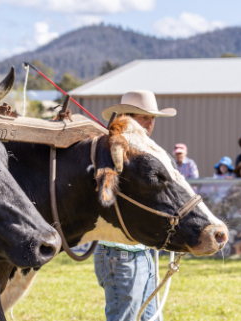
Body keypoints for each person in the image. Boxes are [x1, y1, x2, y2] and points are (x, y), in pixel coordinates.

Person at [95, 89, 176, 321]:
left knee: (151, 317)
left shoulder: (142, 150)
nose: (150, 123)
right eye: (144, 117)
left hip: (140, 250)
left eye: (153, 118)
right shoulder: (110, 150)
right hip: (119, 253)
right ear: (128, 118)